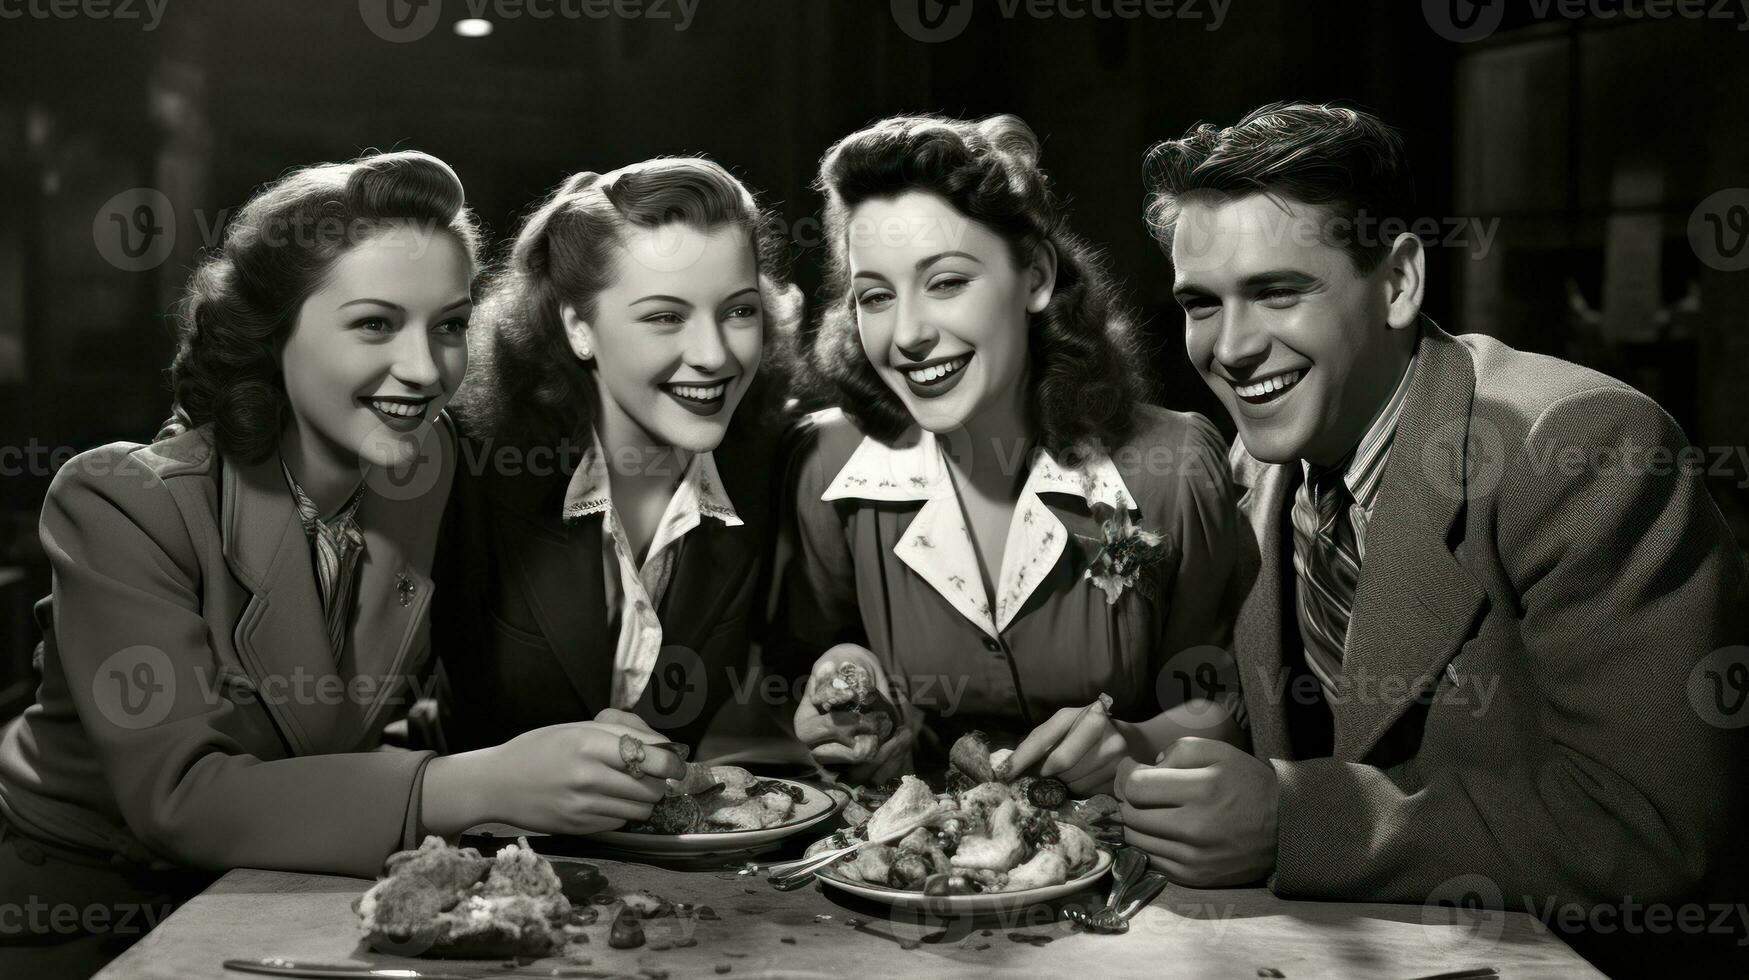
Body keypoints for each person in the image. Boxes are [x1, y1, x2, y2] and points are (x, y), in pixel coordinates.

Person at [0, 151, 683, 977]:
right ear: (273, 331)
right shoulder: (119, 500)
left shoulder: (421, 473)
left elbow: (370, 713)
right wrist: (474, 785)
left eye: (447, 325)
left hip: (292, 886)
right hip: (83, 912)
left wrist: (570, 749)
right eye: (373, 324)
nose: (425, 371)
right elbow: (181, 800)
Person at [1127, 102, 1748, 974]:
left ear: (1397, 283)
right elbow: (1315, 719)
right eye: (1200, 304)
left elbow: (1651, 826)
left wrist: (1294, 821)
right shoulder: (1259, 460)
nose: (1229, 348)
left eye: (1276, 291)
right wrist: (1149, 750)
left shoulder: (1578, 447)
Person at [775, 114, 1245, 791]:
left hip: (1130, 868)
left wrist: (1136, 741)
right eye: (875, 296)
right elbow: (808, 658)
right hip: (911, 859)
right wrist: (847, 691)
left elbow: (1230, 707)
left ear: (1035, 277)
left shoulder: (1171, 463)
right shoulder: (825, 465)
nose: (906, 334)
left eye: (945, 282)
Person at [434, 158, 802, 753]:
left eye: (738, 311)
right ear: (578, 327)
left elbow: (801, 665)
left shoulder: (780, 461)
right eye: (665, 316)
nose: (713, 355)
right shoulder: (468, 469)